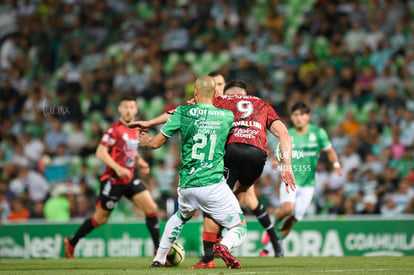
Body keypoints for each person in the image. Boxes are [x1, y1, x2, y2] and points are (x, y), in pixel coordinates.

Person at [129, 79, 295, 260]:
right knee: (242, 193)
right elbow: (284, 134)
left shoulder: (222, 101)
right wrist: (287, 166)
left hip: (228, 153)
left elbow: (178, 112)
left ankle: (209, 255)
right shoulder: (262, 104)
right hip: (257, 153)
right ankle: (232, 238)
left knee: (212, 204)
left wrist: (151, 123)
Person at [141, 76, 247, 269]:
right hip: (213, 184)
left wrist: (146, 141)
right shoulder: (227, 116)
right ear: (216, 94)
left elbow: (156, 143)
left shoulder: (183, 112)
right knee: (240, 227)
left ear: (195, 93)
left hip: (187, 184)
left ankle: (159, 258)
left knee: (180, 217)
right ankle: (223, 246)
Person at [63, 95, 160, 258]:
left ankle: (158, 250)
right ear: (120, 109)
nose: (129, 110)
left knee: (152, 208)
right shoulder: (113, 129)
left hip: (129, 178)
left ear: (136, 110)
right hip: (113, 180)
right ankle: (72, 241)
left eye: (131, 107)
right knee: (100, 219)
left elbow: (131, 152)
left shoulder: (136, 129)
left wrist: (141, 162)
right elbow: (100, 152)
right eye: (125, 107)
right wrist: (118, 168)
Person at [261, 102, 342, 257]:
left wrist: (336, 164)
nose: (299, 118)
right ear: (291, 117)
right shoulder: (287, 134)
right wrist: (277, 160)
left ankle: (269, 250)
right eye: (295, 115)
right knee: (287, 209)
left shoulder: (318, 133)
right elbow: (281, 151)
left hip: (309, 183)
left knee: (294, 218)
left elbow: (329, 151)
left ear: (308, 116)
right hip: (290, 179)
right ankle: (270, 226)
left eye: (302, 114)